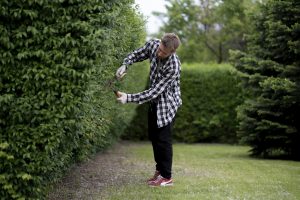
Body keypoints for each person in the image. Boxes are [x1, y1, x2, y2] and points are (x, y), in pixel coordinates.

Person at [115, 33, 182, 187]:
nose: (159, 53)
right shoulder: (153, 45)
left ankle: (166, 177)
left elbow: (155, 91)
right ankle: (159, 171)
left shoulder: (173, 66)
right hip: (153, 102)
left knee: (163, 140)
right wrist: (125, 64)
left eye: (163, 53)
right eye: (159, 49)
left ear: (172, 52)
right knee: (154, 137)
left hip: (167, 103)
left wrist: (128, 98)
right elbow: (137, 54)